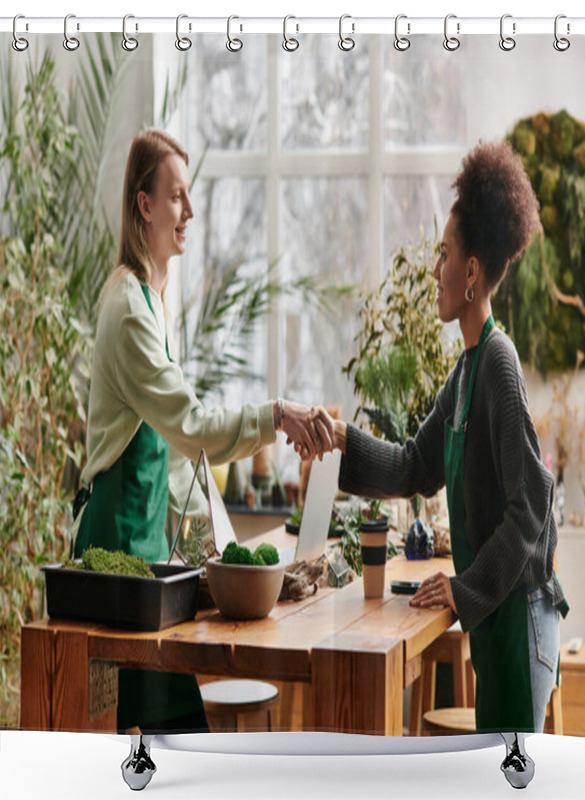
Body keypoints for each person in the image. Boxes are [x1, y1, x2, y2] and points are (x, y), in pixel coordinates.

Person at [70, 128, 331, 735]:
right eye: (178, 196)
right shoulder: (131, 310)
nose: (189, 212)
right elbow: (190, 426)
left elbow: (174, 445)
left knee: (173, 734)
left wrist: (211, 542)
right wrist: (275, 415)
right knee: (161, 737)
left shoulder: (152, 301)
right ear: (145, 204)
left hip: (144, 554)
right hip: (115, 557)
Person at [306, 140, 569, 734]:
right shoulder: (467, 369)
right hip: (498, 618)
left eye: (444, 255)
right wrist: (342, 438)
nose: (435, 270)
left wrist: (463, 587)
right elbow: (411, 467)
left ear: (471, 272)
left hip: (521, 615)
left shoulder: (498, 362)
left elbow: (533, 501)